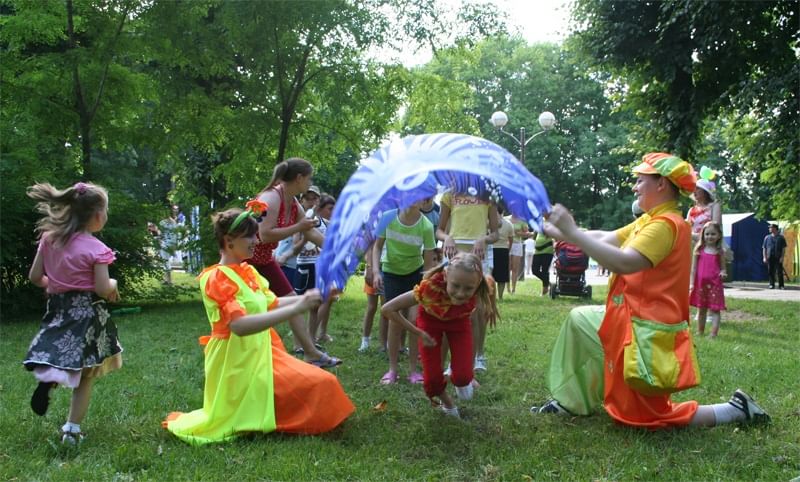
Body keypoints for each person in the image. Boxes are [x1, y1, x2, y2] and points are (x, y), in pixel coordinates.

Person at [532, 152, 770, 429]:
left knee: (649, 418)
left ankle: (735, 409)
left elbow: (624, 262)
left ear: (661, 185)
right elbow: (604, 238)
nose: (635, 186)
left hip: (646, 333)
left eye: (640, 180)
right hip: (630, 321)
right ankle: (571, 402)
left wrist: (572, 233)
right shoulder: (650, 220)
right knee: (580, 320)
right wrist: (555, 230)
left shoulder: (664, 225)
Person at [162, 205, 354, 445]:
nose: (256, 240)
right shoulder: (217, 277)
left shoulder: (247, 271)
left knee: (324, 383)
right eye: (250, 236)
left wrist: (317, 294)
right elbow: (239, 326)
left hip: (261, 352)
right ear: (229, 241)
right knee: (320, 385)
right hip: (237, 362)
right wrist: (298, 307)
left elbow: (270, 302)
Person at [23, 182, 122, 445]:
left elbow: (35, 277)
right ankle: (72, 430)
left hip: (58, 308)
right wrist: (114, 286)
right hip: (87, 313)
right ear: (98, 215)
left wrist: (54, 286)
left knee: (58, 352)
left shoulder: (49, 239)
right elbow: (102, 288)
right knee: (86, 375)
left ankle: (48, 380)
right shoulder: (96, 249)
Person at [382, 253, 498, 418]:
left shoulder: (481, 284)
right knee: (431, 383)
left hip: (458, 324)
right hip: (430, 324)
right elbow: (387, 309)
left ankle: (458, 378)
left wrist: (491, 309)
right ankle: (448, 404)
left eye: (468, 289)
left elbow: (488, 290)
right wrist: (418, 332)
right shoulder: (429, 288)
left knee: (463, 377)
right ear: (445, 276)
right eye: (455, 286)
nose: (460, 293)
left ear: (477, 283)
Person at [249, 158, 340, 366]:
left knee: (294, 300)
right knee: (249, 308)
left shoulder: (292, 201)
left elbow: (308, 230)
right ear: (299, 178)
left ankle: (310, 353)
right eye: (309, 179)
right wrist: (297, 228)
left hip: (264, 260)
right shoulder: (271, 198)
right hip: (246, 262)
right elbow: (264, 235)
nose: (310, 183)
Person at [372, 198, 437, 384]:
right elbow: (377, 247)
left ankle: (413, 371)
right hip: (391, 274)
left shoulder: (426, 226)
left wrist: (424, 285)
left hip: (415, 276)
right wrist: (376, 271)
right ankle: (392, 370)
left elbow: (428, 261)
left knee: (414, 320)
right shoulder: (388, 217)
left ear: (425, 202)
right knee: (394, 321)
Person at [438, 191, 499, 373]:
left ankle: (478, 356)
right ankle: (452, 361)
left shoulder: (488, 195)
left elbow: (495, 234)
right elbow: (439, 230)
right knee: (452, 306)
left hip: (478, 252)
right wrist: (447, 237)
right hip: (453, 251)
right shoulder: (449, 195)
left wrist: (484, 239)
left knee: (478, 309)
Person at [298, 194, 336, 343]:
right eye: (329, 208)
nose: (332, 212)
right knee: (314, 302)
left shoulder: (326, 222)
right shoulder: (308, 218)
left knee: (324, 301)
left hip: (324, 266)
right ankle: (307, 337)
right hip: (310, 266)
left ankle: (317, 335)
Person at [690, 222, 727, 337]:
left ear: (719, 235)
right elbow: (694, 268)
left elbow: (723, 268)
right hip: (701, 284)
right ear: (703, 235)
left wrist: (723, 272)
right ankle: (700, 331)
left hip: (715, 284)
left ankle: (713, 334)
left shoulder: (720, 252)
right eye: (707, 234)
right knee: (702, 309)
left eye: (713, 234)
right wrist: (691, 283)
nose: (710, 236)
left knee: (715, 310)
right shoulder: (698, 250)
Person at [359, 242, 388, 353]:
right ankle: (365, 341)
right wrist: (369, 268)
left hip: (388, 269)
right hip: (374, 269)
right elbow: (370, 247)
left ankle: (383, 344)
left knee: (385, 309)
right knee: (371, 307)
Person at [686, 176, 722, 245]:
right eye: (694, 189)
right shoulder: (691, 210)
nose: (694, 191)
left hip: (709, 246)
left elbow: (716, 229)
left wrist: (692, 236)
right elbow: (686, 229)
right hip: (692, 247)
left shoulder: (714, 206)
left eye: (698, 188)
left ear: (705, 192)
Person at [492, 211, 514, 300]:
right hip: (503, 250)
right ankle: (500, 296)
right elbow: (511, 239)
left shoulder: (489, 222)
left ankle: (492, 296)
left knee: (491, 273)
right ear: (503, 212)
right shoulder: (509, 224)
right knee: (502, 275)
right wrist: (508, 249)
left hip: (491, 249)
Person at [159, 205, 181, 284]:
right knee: (166, 261)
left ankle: (169, 281)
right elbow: (176, 235)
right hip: (171, 244)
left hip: (165, 244)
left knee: (166, 261)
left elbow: (159, 234)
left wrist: (159, 242)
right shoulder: (174, 222)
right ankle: (166, 280)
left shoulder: (162, 223)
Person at [508, 214, 529, 294]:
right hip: (507, 244)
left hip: (517, 245)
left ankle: (513, 288)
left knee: (515, 268)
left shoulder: (522, 220)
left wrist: (518, 233)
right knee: (507, 267)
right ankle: (507, 287)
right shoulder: (506, 219)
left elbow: (527, 234)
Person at [762, 224, 786, 290]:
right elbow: (764, 248)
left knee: (779, 272)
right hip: (770, 257)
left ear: (775, 228)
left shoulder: (781, 238)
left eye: (771, 228)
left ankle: (781, 285)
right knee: (770, 271)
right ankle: (771, 284)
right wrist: (764, 257)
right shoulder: (767, 237)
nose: (769, 229)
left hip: (778, 257)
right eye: (769, 228)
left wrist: (782, 257)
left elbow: (783, 248)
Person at [531, 232, 554, 296]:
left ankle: (544, 292)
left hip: (548, 251)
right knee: (534, 270)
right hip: (537, 252)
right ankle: (548, 283)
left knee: (545, 271)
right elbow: (534, 237)